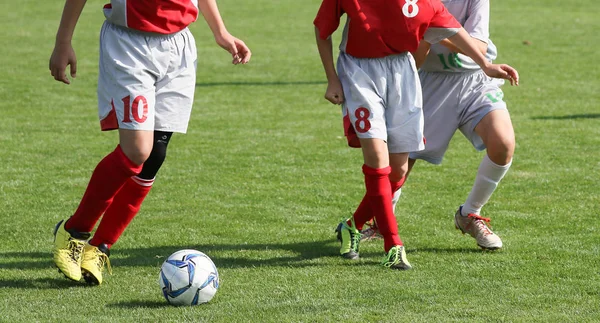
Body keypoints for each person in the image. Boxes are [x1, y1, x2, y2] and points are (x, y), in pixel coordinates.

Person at [49, 0, 251, 285]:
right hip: (130, 45)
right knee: (137, 150)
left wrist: (221, 32)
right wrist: (63, 42)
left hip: (178, 48)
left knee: (155, 154)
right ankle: (74, 232)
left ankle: (100, 247)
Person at [314, 0, 518, 270]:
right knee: (387, 163)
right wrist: (332, 77)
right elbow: (325, 28)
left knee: (401, 171)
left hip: (437, 77)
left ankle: (355, 226)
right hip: (389, 75)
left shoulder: (431, 3)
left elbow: (464, 37)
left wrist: (481, 62)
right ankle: (383, 236)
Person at [361, 0, 514, 251]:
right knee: (399, 167)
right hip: (426, 83)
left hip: (474, 81)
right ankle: (379, 221)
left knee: (503, 143)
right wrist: (431, 33)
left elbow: (480, 46)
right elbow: (415, 60)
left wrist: (433, 30)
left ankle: (470, 214)